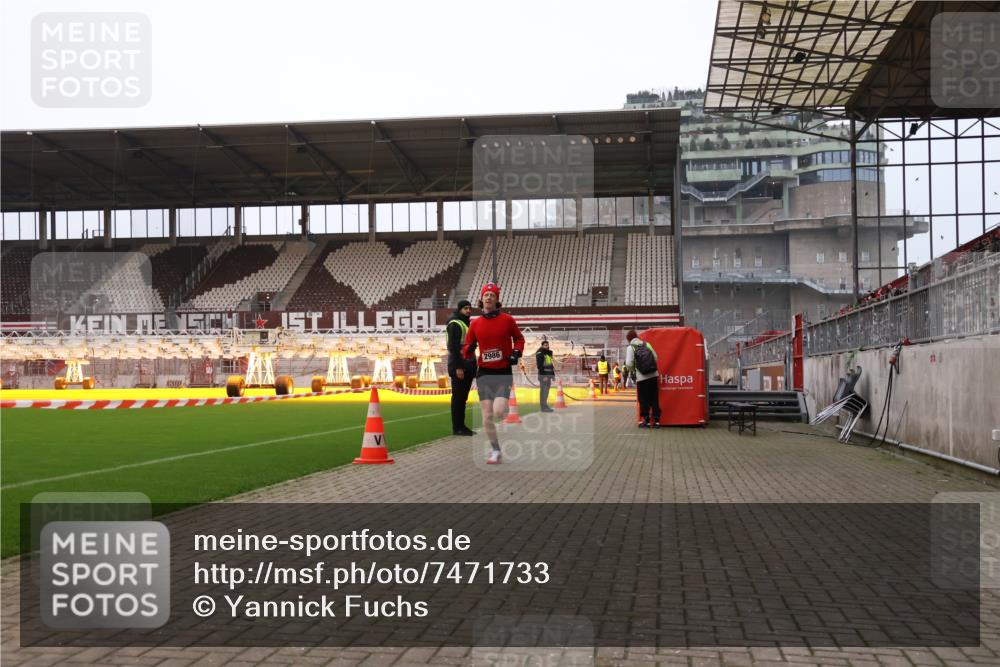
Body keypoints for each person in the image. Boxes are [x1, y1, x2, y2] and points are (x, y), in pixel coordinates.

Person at [462, 282, 525, 464]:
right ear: (481, 300)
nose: (489, 297)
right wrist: (469, 349)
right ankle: (496, 450)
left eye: (492, 295)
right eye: (486, 295)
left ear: (497, 300)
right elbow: (466, 347)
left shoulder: (507, 320)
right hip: (484, 373)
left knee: (498, 412)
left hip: (503, 372)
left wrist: (516, 352)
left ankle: (503, 409)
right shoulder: (475, 324)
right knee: (487, 416)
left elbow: (519, 339)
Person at [446, 299, 476, 436]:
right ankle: (457, 428)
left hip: (467, 364)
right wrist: (458, 367)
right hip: (459, 365)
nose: (468, 311)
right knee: (458, 398)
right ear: (459, 310)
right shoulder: (455, 324)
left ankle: (461, 426)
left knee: (463, 398)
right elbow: (453, 347)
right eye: (465, 308)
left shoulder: (466, 323)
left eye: (470, 308)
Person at [624, 329, 660, 428]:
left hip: (641, 377)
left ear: (628, 339)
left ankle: (646, 421)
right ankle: (657, 421)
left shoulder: (631, 347)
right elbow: (655, 357)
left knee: (643, 399)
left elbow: (629, 363)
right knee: (654, 398)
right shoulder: (647, 344)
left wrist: (634, 370)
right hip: (653, 375)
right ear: (636, 336)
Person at [535, 339, 556, 412]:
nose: (547, 346)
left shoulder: (548, 354)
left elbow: (550, 365)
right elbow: (539, 366)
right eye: (545, 345)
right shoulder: (540, 353)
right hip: (543, 376)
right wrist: (544, 376)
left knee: (546, 392)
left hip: (548, 376)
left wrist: (553, 375)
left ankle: (545, 406)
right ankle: (543, 407)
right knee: (544, 392)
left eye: (547, 345)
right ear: (542, 346)